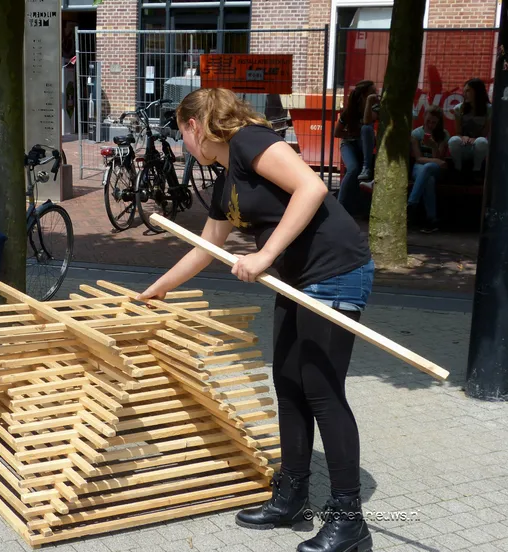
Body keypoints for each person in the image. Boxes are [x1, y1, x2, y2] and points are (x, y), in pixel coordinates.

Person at [137, 88, 373, 552]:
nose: (182, 144)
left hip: (337, 271)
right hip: (298, 279)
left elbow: (312, 187)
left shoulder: (251, 141)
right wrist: (160, 287)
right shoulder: (227, 180)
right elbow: (207, 245)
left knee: (322, 391)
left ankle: (349, 521)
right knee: (288, 383)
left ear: (194, 127)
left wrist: (264, 254)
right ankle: (292, 497)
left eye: (180, 133)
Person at [335, 80, 379, 214]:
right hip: (348, 143)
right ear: (363, 96)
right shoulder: (349, 112)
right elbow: (337, 133)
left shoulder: (375, 108)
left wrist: (370, 103)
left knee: (366, 130)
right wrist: (351, 134)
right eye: (372, 93)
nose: (376, 95)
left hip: (364, 144)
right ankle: (339, 207)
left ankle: (366, 168)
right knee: (353, 168)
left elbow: (367, 121)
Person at [409, 105, 449, 234]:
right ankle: (432, 220)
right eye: (428, 121)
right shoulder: (416, 133)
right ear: (424, 118)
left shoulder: (443, 134)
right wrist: (436, 161)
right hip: (419, 167)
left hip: (435, 168)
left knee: (429, 168)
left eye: (434, 122)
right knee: (429, 180)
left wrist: (433, 146)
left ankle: (411, 204)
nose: (430, 125)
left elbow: (440, 159)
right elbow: (418, 158)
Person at [448, 78, 491, 172]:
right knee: (453, 140)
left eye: (468, 91)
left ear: (477, 92)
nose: (464, 94)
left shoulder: (489, 109)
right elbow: (458, 132)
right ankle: (457, 169)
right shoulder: (458, 108)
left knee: (482, 141)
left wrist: (475, 139)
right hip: (463, 145)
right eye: (464, 91)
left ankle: (477, 170)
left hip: (479, 146)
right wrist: (463, 137)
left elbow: (485, 133)